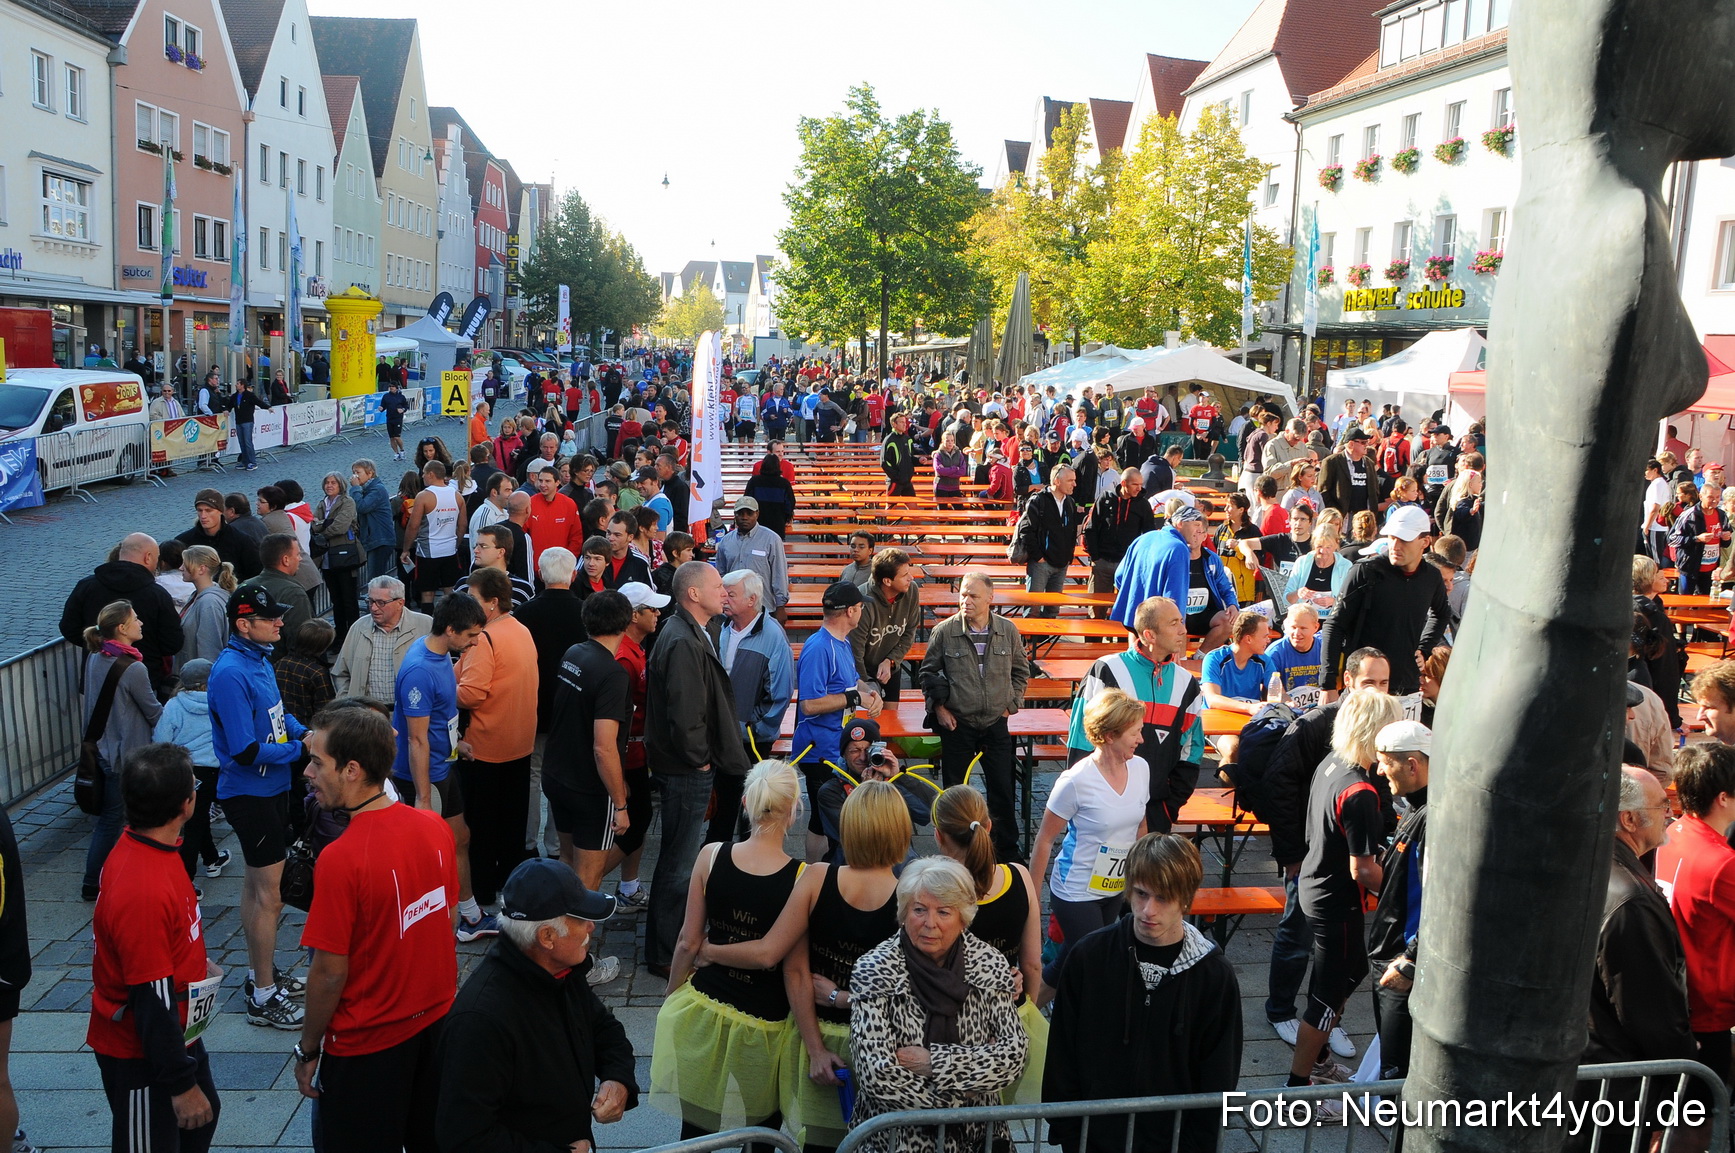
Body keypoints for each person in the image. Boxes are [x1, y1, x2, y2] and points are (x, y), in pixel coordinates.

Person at [699, 781, 911, 1153]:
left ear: (847, 827)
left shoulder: (816, 877)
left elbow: (790, 968)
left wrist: (815, 1047)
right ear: (902, 831)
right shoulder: (911, 895)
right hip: (884, 1044)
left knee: (815, 1143)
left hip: (818, 1036)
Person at [294, 705, 458, 1151]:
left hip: (368, 1047)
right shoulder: (432, 826)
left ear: (351, 769)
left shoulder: (340, 859)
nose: (307, 772)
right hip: (437, 1027)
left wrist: (308, 1048)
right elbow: (445, 917)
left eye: (316, 762)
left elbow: (328, 972)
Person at [1044, 834, 1242, 1153]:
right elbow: (1062, 1052)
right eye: (1141, 894)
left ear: (1186, 899)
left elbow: (1219, 1076)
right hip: (1091, 1139)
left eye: (1163, 898)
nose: (1148, 910)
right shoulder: (1089, 956)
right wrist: (1067, 1131)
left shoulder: (1213, 976)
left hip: (1174, 1141)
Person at [435, 858, 638, 1150]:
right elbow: (465, 1137)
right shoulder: (480, 1022)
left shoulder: (561, 970)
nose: (591, 927)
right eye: (581, 920)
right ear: (547, 937)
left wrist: (618, 1079)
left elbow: (603, 1028)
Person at [653, 760, 805, 1141]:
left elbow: (688, 941)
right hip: (766, 1022)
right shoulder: (803, 877)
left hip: (704, 1006)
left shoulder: (712, 855)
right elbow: (788, 964)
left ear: (745, 803)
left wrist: (671, 997)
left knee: (695, 1131)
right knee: (762, 1130)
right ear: (793, 809)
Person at [87, 743, 220, 1153]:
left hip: (175, 1038)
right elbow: (149, 997)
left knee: (201, 1121)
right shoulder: (142, 888)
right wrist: (179, 1084)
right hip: (143, 1056)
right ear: (186, 804)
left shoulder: (153, 849)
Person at [846, 856, 1027, 1153]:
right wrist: (962, 1095)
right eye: (919, 910)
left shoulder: (987, 962)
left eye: (943, 912)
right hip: (898, 1141)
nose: (930, 923)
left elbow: (1013, 1055)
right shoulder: (875, 968)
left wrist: (935, 1063)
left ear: (963, 916)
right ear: (904, 913)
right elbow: (875, 1074)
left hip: (977, 1137)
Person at [1568, 767, 1705, 1152]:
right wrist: (1682, 1098)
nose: (1671, 814)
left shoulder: (1583, 862)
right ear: (1628, 818)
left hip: (1582, 1080)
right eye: (1664, 805)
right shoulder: (1630, 899)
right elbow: (1651, 1013)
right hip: (1615, 1093)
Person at [1288, 689, 1403, 1095]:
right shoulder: (1361, 791)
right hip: (1336, 902)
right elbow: (1364, 869)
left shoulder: (1332, 763)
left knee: (1348, 971)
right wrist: (1402, 893)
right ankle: (1297, 1087)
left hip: (1315, 887)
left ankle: (1318, 1060)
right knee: (1327, 996)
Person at [644, 563, 753, 978]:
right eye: (715, 587)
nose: (723, 593)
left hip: (689, 765)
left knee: (680, 859)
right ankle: (665, 953)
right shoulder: (684, 640)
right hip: (687, 769)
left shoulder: (690, 632)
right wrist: (700, 759)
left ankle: (669, 943)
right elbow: (685, 712)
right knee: (679, 864)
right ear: (692, 594)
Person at [209, 586, 308, 1029]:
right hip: (251, 794)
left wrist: (305, 732)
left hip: (268, 791)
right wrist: (300, 751)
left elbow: (276, 715)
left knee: (256, 889)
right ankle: (264, 995)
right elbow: (245, 750)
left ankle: (259, 976)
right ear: (243, 625)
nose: (280, 623)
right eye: (271, 618)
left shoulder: (259, 658)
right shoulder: (231, 672)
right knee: (270, 895)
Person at [1031, 690, 1152, 1005]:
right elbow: (1044, 839)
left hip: (1113, 887)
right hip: (1075, 891)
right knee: (1096, 957)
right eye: (1135, 732)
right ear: (1110, 735)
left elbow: (1140, 824)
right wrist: (1031, 900)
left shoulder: (1141, 769)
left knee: (1070, 958)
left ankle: (1026, 1013)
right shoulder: (1075, 781)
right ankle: (1081, 1025)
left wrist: (1144, 876)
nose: (1141, 738)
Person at [541, 589, 634, 990]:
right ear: (627, 623)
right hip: (587, 790)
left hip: (557, 775)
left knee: (565, 863)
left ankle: (545, 944)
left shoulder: (574, 653)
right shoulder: (612, 673)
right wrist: (621, 801)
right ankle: (575, 964)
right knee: (585, 886)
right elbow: (603, 746)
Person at [930, 786, 1046, 1103]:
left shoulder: (931, 896)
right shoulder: (1020, 877)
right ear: (989, 826)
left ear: (939, 836)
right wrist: (1025, 1012)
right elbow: (1033, 964)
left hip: (950, 1036)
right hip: (1008, 1021)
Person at [390, 591, 488, 942]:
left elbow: (436, 720)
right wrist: (423, 797)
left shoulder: (441, 653)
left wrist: (456, 744)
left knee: (461, 838)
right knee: (434, 853)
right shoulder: (419, 670)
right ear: (450, 629)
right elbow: (415, 739)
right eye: (471, 635)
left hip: (443, 767)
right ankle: (434, 925)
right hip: (424, 776)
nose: (475, 643)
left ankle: (471, 915)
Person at [1066, 595, 1206, 834]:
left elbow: (1191, 752)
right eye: (1174, 623)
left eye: (1182, 621)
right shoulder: (1106, 669)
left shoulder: (1187, 684)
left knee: (1146, 873)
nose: (1184, 630)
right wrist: (1087, 801)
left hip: (1155, 812)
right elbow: (1081, 738)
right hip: (1102, 809)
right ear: (1149, 635)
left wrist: (1168, 807)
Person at [918, 573, 1031, 862]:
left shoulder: (1008, 630)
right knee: (956, 793)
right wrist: (939, 710)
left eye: (973, 596)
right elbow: (927, 674)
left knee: (1002, 791)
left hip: (996, 722)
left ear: (990, 599)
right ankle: (958, 849)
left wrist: (1011, 705)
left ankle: (1005, 851)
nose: (966, 601)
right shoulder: (944, 631)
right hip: (958, 724)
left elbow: (1021, 671)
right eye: (963, 595)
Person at [454, 568, 539, 917]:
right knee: (511, 826)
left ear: (491, 603)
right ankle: (511, 884)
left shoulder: (485, 638)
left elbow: (471, 694)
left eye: (473, 599)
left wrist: (443, 689)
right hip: (519, 744)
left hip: (485, 748)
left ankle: (484, 890)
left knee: (482, 828)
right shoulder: (520, 629)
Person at [1653, 743, 1735, 1091]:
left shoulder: (1671, 834)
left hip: (1675, 995)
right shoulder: (1722, 863)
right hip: (1707, 1009)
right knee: (1696, 1124)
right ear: (1723, 798)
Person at [79, 601, 165, 902]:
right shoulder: (133, 667)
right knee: (113, 819)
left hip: (102, 747)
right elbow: (153, 712)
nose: (140, 622)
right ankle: (93, 882)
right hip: (123, 753)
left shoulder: (96, 656)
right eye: (135, 619)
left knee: (113, 817)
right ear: (122, 628)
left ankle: (112, 874)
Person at [794, 580, 883, 861]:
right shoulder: (819, 647)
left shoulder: (841, 643)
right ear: (850, 612)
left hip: (835, 746)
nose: (862, 612)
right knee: (823, 822)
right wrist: (854, 699)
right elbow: (808, 704)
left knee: (834, 821)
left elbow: (849, 682)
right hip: (818, 751)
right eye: (860, 607)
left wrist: (868, 690)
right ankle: (814, 879)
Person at [1320, 505, 1450, 698]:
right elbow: (1334, 624)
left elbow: (1442, 613)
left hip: (1407, 685)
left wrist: (1424, 649)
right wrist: (1327, 684)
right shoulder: (1365, 571)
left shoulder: (1431, 576)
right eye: (1391, 538)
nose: (1395, 546)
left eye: (1404, 540)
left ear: (1425, 542)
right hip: (1365, 685)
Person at [1365, 719, 1431, 1082]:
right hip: (1390, 955)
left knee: (1398, 1073)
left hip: (1402, 964)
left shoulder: (1433, 815)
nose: (1379, 769)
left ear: (1412, 765)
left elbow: (1442, 901)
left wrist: (1410, 960)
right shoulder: (1415, 805)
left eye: (1385, 761)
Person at [514, 548, 589, 860]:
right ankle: (557, 847)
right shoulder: (585, 612)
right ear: (572, 576)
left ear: (540, 575)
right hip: (571, 710)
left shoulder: (524, 614)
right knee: (562, 777)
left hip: (534, 707)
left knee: (532, 777)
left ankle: (527, 844)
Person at [719, 570, 795, 838]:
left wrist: (754, 729)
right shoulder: (722, 627)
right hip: (722, 735)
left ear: (751, 599)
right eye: (722, 592)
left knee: (749, 808)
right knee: (723, 805)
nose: (723, 598)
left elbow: (780, 692)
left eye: (730, 594)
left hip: (751, 740)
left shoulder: (773, 636)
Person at [61, 533, 185, 695]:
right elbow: (172, 642)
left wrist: (99, 645)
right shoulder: (157, 594)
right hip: (146, 680)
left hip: (97, 680)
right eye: (156, 557)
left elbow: (69, 627)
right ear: (148, 557)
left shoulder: (87, 586)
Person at [1111, 507, 1238, 652]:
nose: (1198, 530)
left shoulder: (1144, 538)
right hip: (1162, 619)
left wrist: (1137, 595)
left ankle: (1200, 656)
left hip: (1137, 614)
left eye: (1201, 529)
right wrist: (1179, 652)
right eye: (1195, 525)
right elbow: (1174, 598)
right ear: (1180, 524)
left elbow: (1119, 577)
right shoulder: (1178, 548)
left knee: (1136, 661)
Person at [154, 657, 228, 883]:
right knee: (196, 824)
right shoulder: (220, 703)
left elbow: (160, 739)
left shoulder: (174, 705)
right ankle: (187, 880)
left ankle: (211, 858)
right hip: (213, 770)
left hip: (185, 770)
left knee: (195, 819)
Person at [328, 577, 431, 703]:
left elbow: (442, 673)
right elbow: (341, 673)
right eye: (370, 601)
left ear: (400, 603)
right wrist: (348, 703)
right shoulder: (358, 627)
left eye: (381, 603)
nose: (374, 608)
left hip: (411, 717)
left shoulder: (426, 626)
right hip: (366, 716)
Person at [1200, 610, 1274, 765]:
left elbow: (1278, 692)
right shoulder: (1214, 658)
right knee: (1233, 749)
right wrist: (1249, 708)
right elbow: (1213, 700)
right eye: (1264, 636)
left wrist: (1290, 703)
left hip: (1250, 723)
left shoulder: (1264, 661)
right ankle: (1230, 789)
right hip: (1220, 724)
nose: (1268, 640)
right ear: (1248, 638)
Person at [1084, 467, 1157, 619]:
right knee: (1096, 609)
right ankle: (1093, 642)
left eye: (1140, 484)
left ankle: (1123, 642)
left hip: (1127, 565)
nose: (1139, 488)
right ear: (1124, 483)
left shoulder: (1143, 505)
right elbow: (1092, 528)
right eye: (1135, 484)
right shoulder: (1105, 498)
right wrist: (1095, 556)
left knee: (1126, 610)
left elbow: (1149, 536)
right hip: (1102, 562)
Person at [849, 548, 920, 702]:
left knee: (890, 718)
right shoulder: (862, 602)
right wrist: (866, 683)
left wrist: (891, 661)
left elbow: (909, 633)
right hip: (861, 671)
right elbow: (855, 651)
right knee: (866, 721)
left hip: (890, 666)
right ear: (887, 581)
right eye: (904, 575)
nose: (911, 577)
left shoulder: (912, 590)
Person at [399, 461, 467, 607]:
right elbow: (462, 525)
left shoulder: (423, 496)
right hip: (449, 549)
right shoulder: (457, 496)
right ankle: (452, 621)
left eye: (424, 472)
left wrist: (405, 549)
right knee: (450, 590)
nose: (422, 476)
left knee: (427, 592)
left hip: (428, 551)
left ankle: (429, 623)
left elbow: (413, 525)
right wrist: (456, 543)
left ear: (431, 474)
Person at [1020, 464, 1083, 616]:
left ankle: (1046, 640)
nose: (1074, 484)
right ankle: (1028, 640)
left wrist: (1068, 556)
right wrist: (1038, 557)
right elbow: (1026, 531)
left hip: (1061, 564)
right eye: (1070, 480)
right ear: (1057, 481)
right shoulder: (1038, 500)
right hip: (1041, 565)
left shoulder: (1069, 502)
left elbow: (1071, 531)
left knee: (1053, 609)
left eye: (1074, 480)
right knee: (1033, 609)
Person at [713, 496, 791, 615]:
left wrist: (780, 606)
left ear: (757, 514)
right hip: (733, 608)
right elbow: (720, 574)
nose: (745, 517)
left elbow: (779, 573)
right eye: (740, 513)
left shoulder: (771, 539)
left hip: (763, 608)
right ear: (735, 515)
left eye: (749, 513)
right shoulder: (726, 541)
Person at [310, 473, 362, 640]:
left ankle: (353, 637)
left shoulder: (347, 502)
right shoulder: (321, 503)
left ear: (341, 485)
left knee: (349, 600)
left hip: (344, 557)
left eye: (333, 482)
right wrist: (323, 524)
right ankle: (340, 636)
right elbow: (313, 525)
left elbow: (340, 526)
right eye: (327, 482)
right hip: (327, 560)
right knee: (336, 602)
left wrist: (322, 527)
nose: (329, 485)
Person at [235, 533, 313, 639]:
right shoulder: (293, 593)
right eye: (297, 555)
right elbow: (302, 641)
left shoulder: (244, 587)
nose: (300, 559)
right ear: (286, 560)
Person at [176, 491, 263, 582]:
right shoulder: (183, 541)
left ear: (221, 511)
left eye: (208, 510)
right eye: (199, 510)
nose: (203, 516)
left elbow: (256, 575)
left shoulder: (242, 541)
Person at [1319, 428, 1380, 517]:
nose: (1366, 445)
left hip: (1364, 516)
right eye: (1363, 442)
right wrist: (1335, 512)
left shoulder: (1369, 463)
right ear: (1351, 444)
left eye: (1367, 442)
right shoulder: (1331, 462)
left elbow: (1375, 490)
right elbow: (1323, 491)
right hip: (1342, 516)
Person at [743, 454, 798, 537]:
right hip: (778, 523)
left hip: (757, 523)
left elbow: (747, 501)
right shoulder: (784, 483)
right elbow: (790, 503)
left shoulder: (754, 481)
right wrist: (786, 518)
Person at [233, 377, 267, 470]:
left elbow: (258, 402)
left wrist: (268, 407)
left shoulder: (249, 395)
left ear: (242, 385)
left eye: (238, 383)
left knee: (248, 442)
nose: (236, 385)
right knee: (242, 442)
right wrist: (226, 409)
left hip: (247, 421)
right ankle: (244, 461)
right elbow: (229, 404)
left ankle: (252, 462)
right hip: (239, 421)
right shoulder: (235, 396)